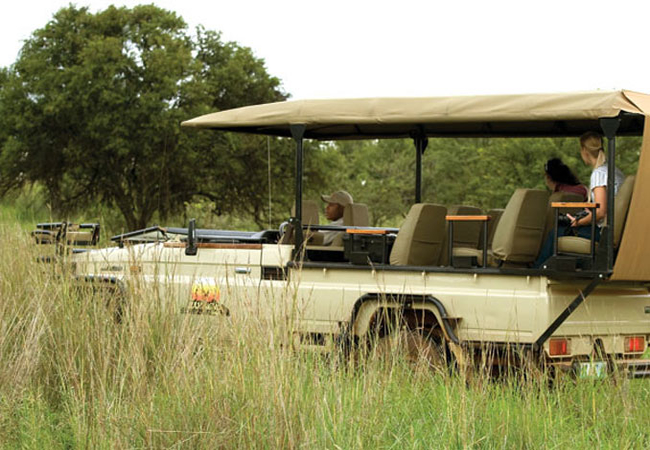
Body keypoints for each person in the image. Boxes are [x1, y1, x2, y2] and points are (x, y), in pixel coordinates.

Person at [534, 132, 625, 268]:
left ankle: (536, 271)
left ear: (584, 151)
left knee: (555, 233)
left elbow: (600, 212)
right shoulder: (615, 171)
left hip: (601, 233)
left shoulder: (599, 174)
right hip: (613, 231)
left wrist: (578, 222)